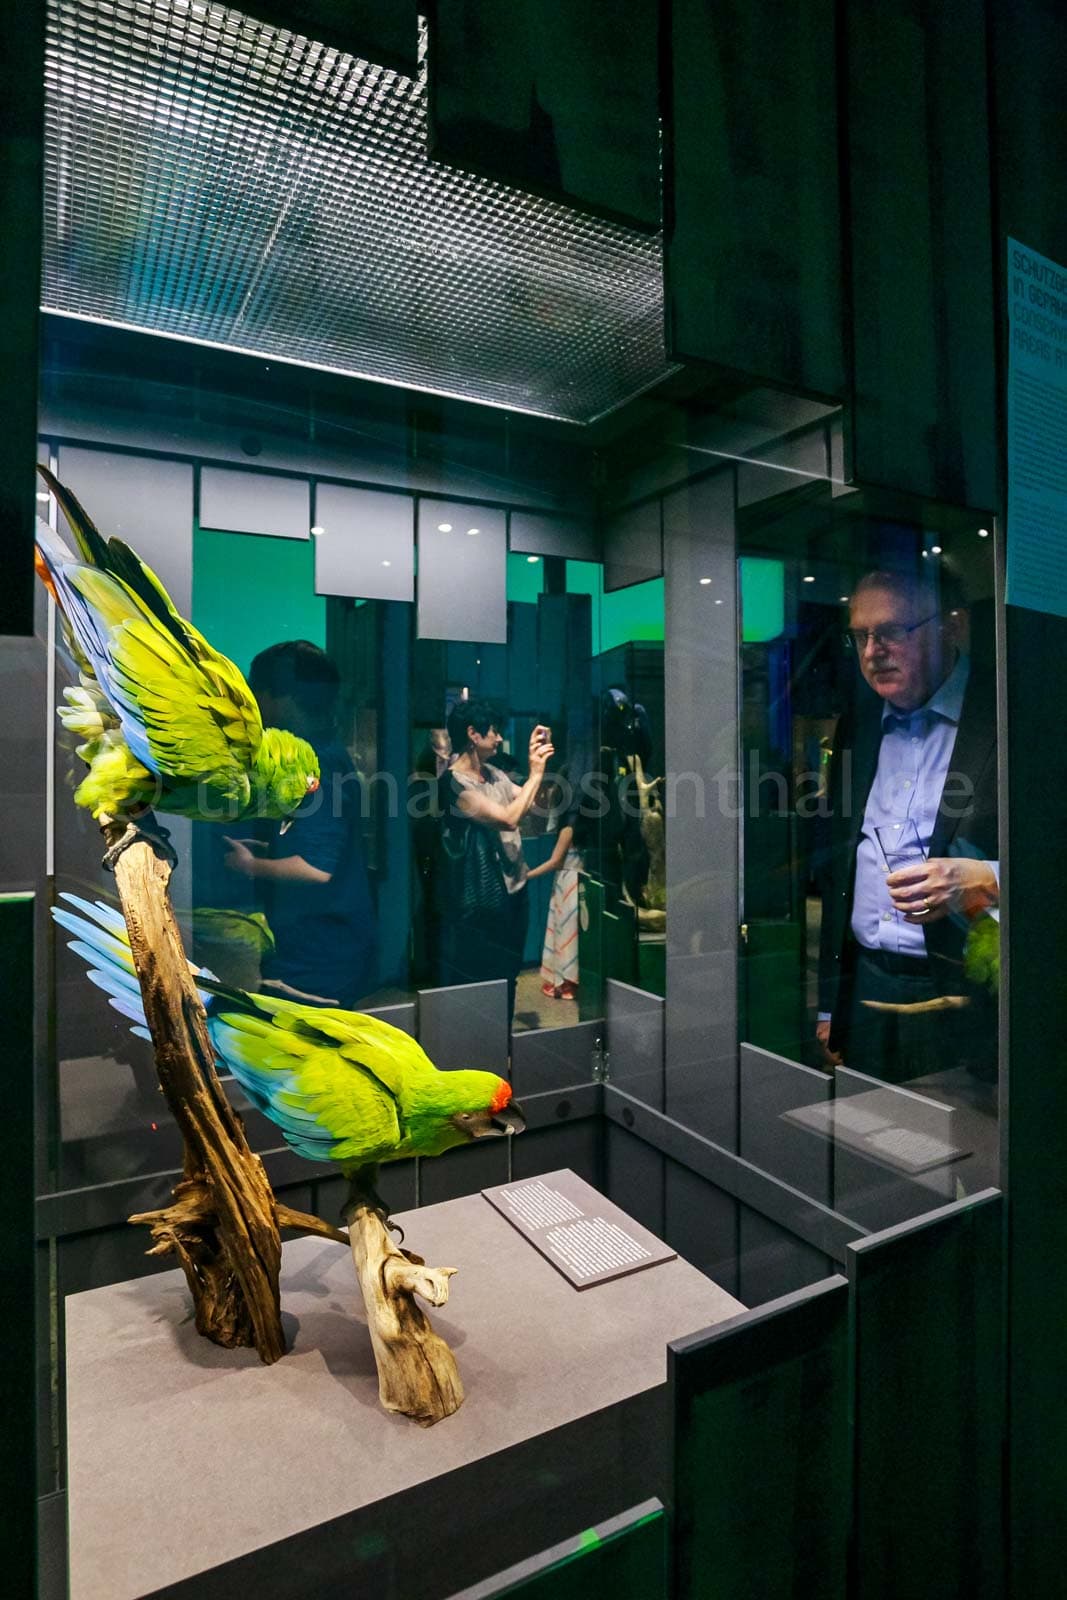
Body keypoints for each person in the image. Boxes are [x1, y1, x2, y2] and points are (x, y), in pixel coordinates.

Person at [816, 569, 998, 1085]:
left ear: (950, 627)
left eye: (892, 631)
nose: (873, 651)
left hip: (968, 995)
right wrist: (831, 1004)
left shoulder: (1010, 711)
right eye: (860, 636)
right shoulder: (858, 724)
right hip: (868, 989)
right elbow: (841, 868)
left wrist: (989, 878)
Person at [223, 640, 376, 1009]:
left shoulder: (316, 763)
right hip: (330, 947)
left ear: (279, 697)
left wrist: (249, 865)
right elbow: (322, 844)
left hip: (319, 958)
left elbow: (316, 869)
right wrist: (273, 849)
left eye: (255, 693)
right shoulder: (328, 752)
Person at [437, 698, 553, 1019]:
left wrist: (539, 765)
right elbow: (509, 819)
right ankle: (481, 1040)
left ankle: (504, 1040)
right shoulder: (454, 784)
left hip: (516, 891)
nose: (500, 738)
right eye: (494, 731)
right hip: (484, 899)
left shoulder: (494, 773)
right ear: (473, 734)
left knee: (510, 974)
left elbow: (534, 805)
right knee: (484, 977)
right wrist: (535, 773)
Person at [528, 790, 581, 1001]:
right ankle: (571, 980)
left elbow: (555, 861)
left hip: (567, 881)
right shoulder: (585, 826)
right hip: (578, 879)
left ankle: (565, 982)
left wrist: (527, 875)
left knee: (563, 930)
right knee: (572, 932)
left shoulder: (568, 828)